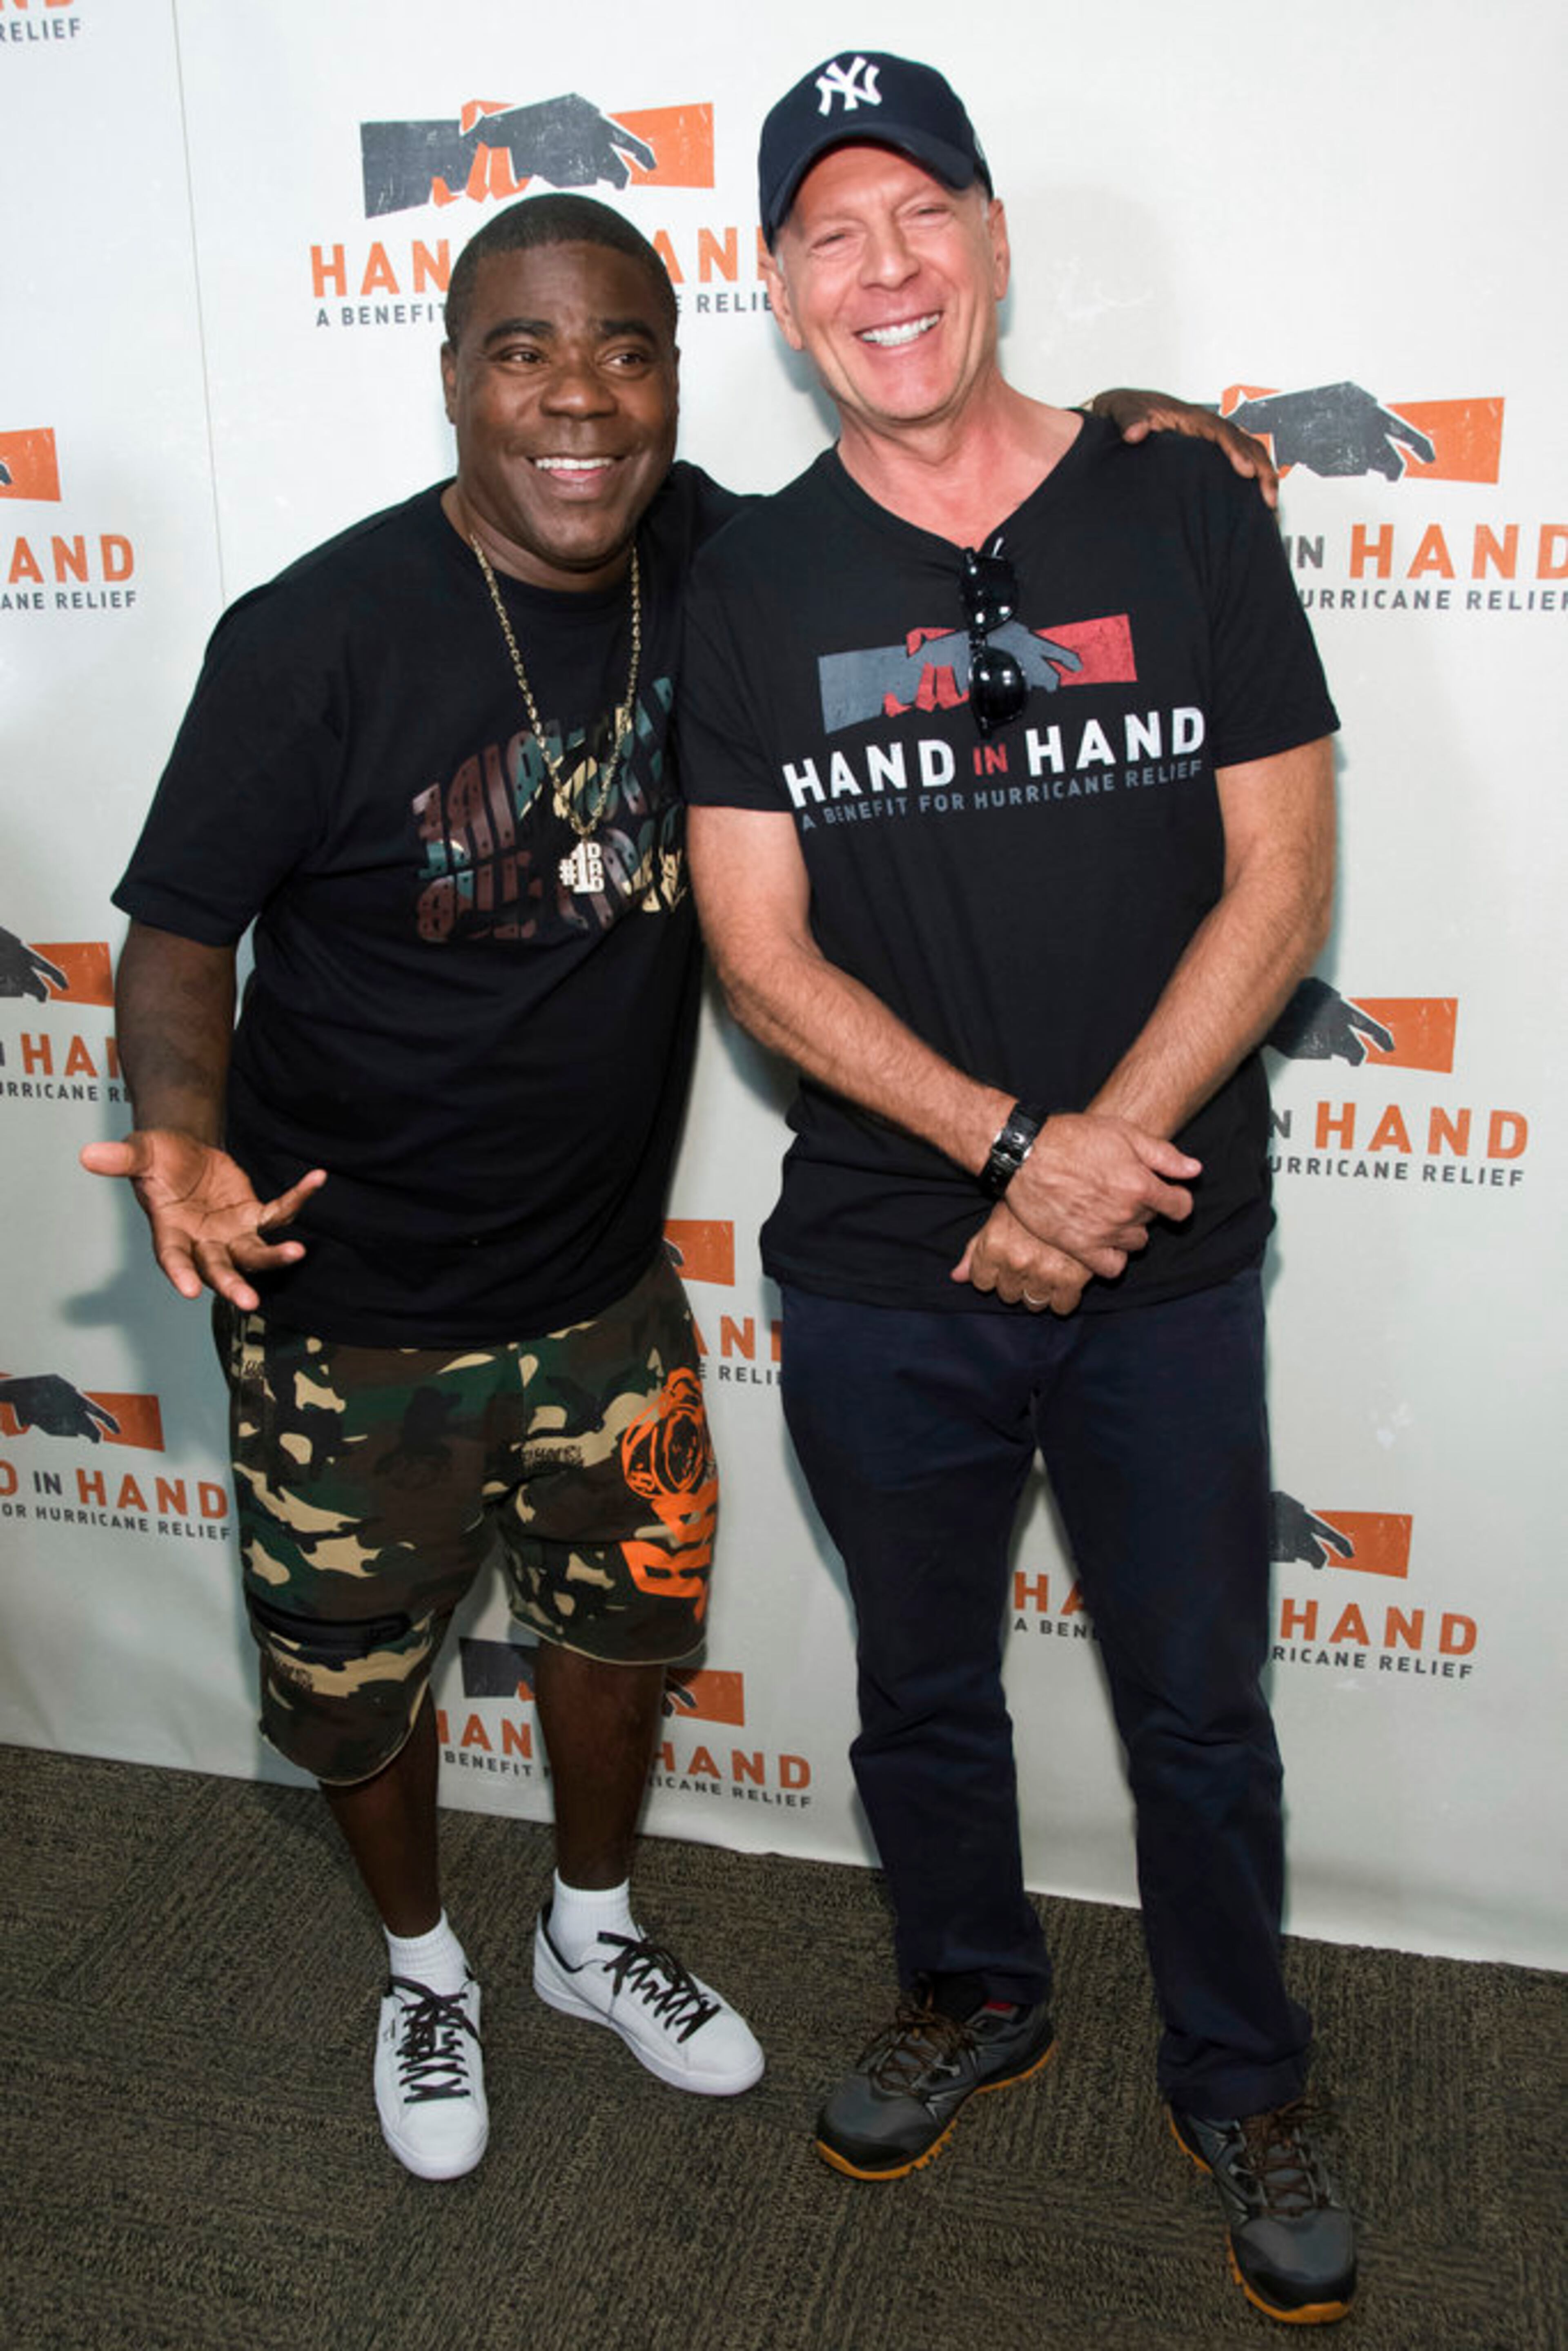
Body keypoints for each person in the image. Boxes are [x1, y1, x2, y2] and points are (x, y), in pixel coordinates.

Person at [80, 184, 1273, 2191]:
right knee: (353, 1696)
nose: (578, 399)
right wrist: (183, 1126)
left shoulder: (719, 560)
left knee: (619, 1642)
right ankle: (420, 1964)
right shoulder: (312, 635)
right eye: (526, 352)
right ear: (453, 374)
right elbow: (180, 929)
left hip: (605, 1296)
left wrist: (1130, 424)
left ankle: (592, 1931)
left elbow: (947, 483)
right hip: (345, 1299)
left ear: (672, 375)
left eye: (625, 351)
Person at [682, 54, 1355, 2329]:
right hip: (895, 1262)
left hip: (1163, 1243)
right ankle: (974, 1987)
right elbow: (755, 948)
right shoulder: (753, 580)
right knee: (917, 1689)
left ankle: (1242, 2068)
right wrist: (998, 1149)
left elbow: (1280, 888)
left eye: (920, 214)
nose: (888, 270)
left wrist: (1089, 1170)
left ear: (986, 234)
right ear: (781, 292)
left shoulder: (1185, 513)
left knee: (1196, 1695)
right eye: (832, 236)